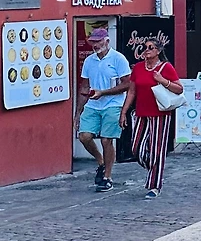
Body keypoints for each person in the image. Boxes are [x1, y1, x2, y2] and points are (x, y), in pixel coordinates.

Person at [121, 37, 182, 198]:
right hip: (141, 112)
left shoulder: (166, 67)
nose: (146, 50)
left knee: (157, 149)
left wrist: (163, 81)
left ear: (158, 51)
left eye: (150, 47)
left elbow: (179, 89)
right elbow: (132, 91)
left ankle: (155, 186)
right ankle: (155, 168)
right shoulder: (138, 68)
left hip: (160, 113)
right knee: (136, 148)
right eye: (145, 47)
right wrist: (124, 112)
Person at [77, 27, 131, 193]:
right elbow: (84, 87)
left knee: (107, 140)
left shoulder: (118, 59)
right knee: (84, 136)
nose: (95, 45)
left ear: (107, 41)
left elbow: (127, 84)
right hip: (93, 104)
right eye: (93, 42)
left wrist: (104, 92)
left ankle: (107, 177)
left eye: (98, 41)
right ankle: (101, 161)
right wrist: (78, 112)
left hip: (113, 103)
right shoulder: (89, 61)